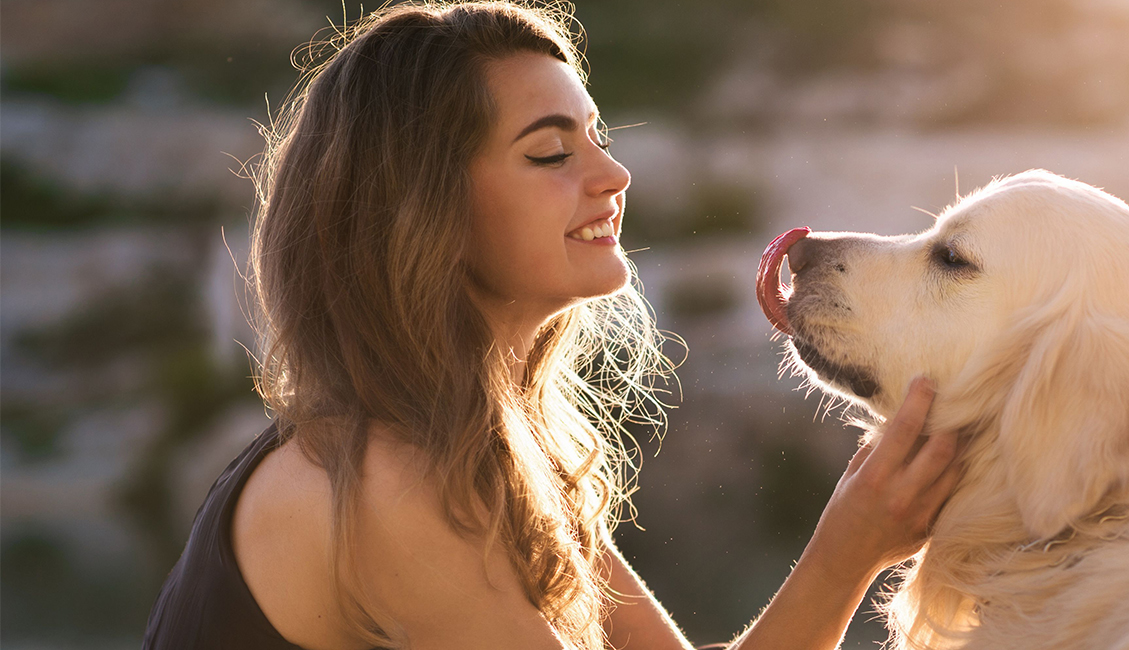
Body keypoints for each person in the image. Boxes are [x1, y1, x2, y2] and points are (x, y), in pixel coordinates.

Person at [141, 2, 961, 649]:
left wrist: (854, 538)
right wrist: (847, 551)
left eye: (596, 138)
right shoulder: (385, 485)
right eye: (549, 154)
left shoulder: (489, 445)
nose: (614, 174)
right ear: (422, 212)